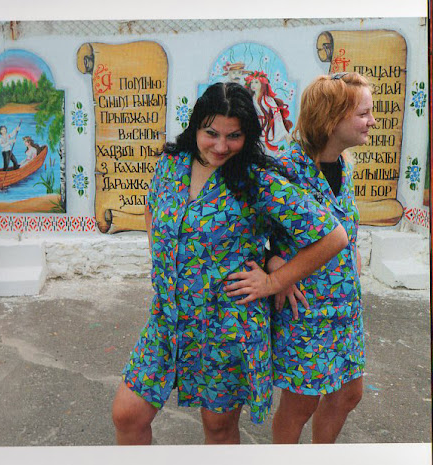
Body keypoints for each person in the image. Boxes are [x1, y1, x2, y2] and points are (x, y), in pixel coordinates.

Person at [111, 82, 349, 445]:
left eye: (233, 136)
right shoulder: (172, 164)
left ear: (247, 135)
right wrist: (166, 264)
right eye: (211, 133)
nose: (221, 146)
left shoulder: (257, 180)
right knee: (127, 414)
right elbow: (151, 209)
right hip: (168, 318)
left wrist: (273, 280)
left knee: (218, 428)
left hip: (227, 327)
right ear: (196, 127)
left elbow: (333, 236)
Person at [267, 72, 375, 444]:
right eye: (363, 114)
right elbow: (247, 233)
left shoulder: (342, 165)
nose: (372, 121)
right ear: (332, 118)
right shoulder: (285, 169)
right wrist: (273, 265)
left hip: (345, 308)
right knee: (301, 405)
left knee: (349, 393)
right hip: (305, 310)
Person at [245, 71, 293, 152]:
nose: (253, 85)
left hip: (266, 127)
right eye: (252, 82)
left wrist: (283, 132)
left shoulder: (268, 99)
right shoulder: (250, 99)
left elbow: (277, 115)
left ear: (262, 84)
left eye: (256, 82)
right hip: (254, 126)